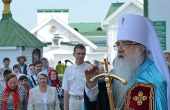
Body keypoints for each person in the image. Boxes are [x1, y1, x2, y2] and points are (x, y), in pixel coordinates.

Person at [84, 14, 169, 110]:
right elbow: (99, 104)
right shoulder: (114, 76)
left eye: (126, 44)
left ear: (141, 48)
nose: (120, 49)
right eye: (118, 45)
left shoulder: (157, 78)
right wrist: (91, 84)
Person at [62, 44, 90, 110]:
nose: (81, 56)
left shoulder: (89, 68)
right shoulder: (68, 69)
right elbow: (66, 89)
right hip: (73, 101)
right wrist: (65, 108)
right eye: (78, 53)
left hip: (86, 100)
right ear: (74, 54)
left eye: (83, 54)